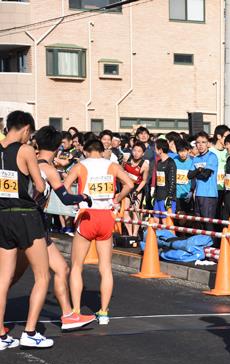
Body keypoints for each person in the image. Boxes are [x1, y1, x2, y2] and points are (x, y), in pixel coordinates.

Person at [11, 126, 96, 330]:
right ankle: (46, 324)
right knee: (44, 274)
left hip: (20, 221)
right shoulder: (48, 169)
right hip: (34, 224)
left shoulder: (28, 163)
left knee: (15, 274)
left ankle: (68, 315)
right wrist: (84, 197)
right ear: (58, 147)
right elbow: (65, 198)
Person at [64, 139, 133, 325]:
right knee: (106, 267)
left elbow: (64, 187)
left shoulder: (80, 165)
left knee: (77, 266)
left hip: (87, 215)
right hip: (106, 216)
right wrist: (117, 197)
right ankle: (103, 312)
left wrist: (75, 200)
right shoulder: (112, 165)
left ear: (85, 152)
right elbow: (130, 184)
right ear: (102, 151)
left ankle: (76, 310)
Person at [0, 111, 53, 349]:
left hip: (2, 215)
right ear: (26, 129)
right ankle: (30, 332)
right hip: (26, 215)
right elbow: (40, 186)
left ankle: (1, 336)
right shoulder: (26, 150)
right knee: (42, 275)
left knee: (3, 278)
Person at [189, 132, 218, 230]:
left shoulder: (212, 157)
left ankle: (211, 244)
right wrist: (199, 170)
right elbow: (189, 175)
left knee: (208, 224)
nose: (200, 145)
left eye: (203, 142)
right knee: (199, 224)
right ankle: (201, 244)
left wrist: (196, 172)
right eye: (198, 142)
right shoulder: (195, 158)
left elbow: (206, 175)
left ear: (208, 144)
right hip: (198, 194)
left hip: (209, 195)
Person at [122, 142, 149, 237]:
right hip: (126, 188)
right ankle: (129, 234)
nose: (136, 153)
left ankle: (134, 234)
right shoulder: (126, 159)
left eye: (139, 151)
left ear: (143, 153)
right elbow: (121, 171)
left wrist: (137, 191)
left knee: (135, 211)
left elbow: (144, 180)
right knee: (125, 211)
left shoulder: (144, 165)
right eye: (134, 150)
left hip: (137, 189)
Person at [210, 125, 230, 218]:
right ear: (219, 136)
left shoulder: (228, 152)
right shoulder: (210, 152)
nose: (228, 139)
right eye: (226, 137)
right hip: (214, 189)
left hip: (226, 188)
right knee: (214, 214)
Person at [153, 139, 177, 217]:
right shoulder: (159, 162)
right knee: (155, 219)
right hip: (158, 197)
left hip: (167, 197)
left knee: (165, 221)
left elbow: (172, 181)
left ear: (160, 150)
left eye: (155, 148)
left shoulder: (171, 162)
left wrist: (169, 197)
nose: (154, 150)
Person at [174, 139, 195, 217]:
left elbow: (194, 178)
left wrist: (191, 191)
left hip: (188, 194)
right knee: (179, 217)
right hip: (177, 195)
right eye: (180, 151)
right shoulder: (174, 161)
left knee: (189, 218)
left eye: (184, 151)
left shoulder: (193, 161)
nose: (182, 154)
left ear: (188, 150)